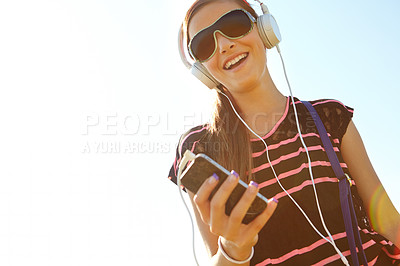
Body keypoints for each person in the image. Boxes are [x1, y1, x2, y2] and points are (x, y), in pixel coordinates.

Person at [167, 0, 400, 265]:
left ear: (265, 30)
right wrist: (234, 248)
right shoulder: (199, 148)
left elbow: (390, 224)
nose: (223, 45)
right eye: (204, 44)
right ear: (201, 70)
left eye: (233, 24)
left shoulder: (328, 117)